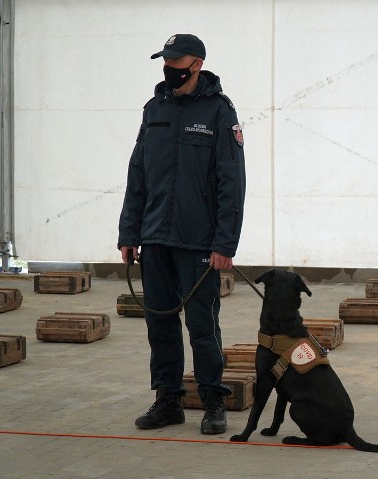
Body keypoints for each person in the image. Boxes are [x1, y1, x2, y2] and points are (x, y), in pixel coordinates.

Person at [118, 33, 246, 434]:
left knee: (203, 326)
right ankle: (167, 400)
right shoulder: (153, 109)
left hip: (199, 242)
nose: (168, 69)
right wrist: (129, 232)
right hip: (155, 238)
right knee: (160, 325)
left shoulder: (219, 112)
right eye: (166, 62)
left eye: (176, 62)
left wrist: (225, 243)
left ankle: (212, 401)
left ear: (197, 65)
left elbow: (232, 182)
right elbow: (137, 174)